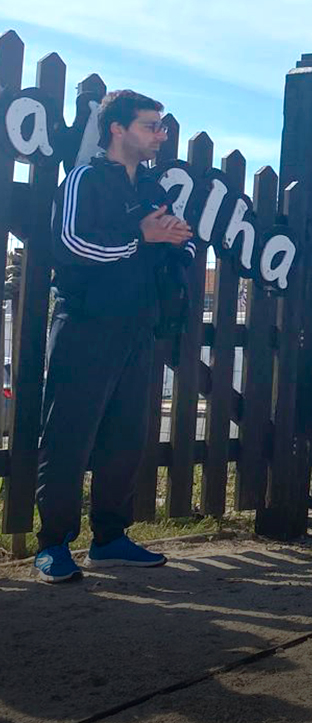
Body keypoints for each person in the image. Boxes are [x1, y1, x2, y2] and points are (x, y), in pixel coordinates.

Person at [34, 91, 194, 583]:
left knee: (126, 440)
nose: (160, 136)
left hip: (136, 329)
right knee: (68, 438)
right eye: (150, 126)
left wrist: (173, 240)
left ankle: (108, 541)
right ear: (117, 129)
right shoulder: (86, 178)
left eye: (162, 127)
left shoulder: (151, 186)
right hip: (85, 325)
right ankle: (53, 545)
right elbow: (70, 245)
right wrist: (139, 238)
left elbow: (176, 244)